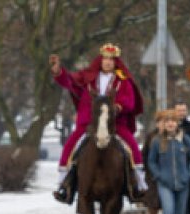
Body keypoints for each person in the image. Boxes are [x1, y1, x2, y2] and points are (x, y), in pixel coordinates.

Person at [50, 43, 146, 204]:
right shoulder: (88, 77)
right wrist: (59, 72)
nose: (108, 62)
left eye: (111, 59)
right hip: (89, 121)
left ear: (116, 61)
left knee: (132, 146)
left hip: (115, 122)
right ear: (100, 60)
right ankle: (63, 184)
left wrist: (118, 107)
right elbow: (70, 81)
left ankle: (138, 183)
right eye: (105, 59)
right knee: (71, 145)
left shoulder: (122, 80)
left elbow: (129, 100)